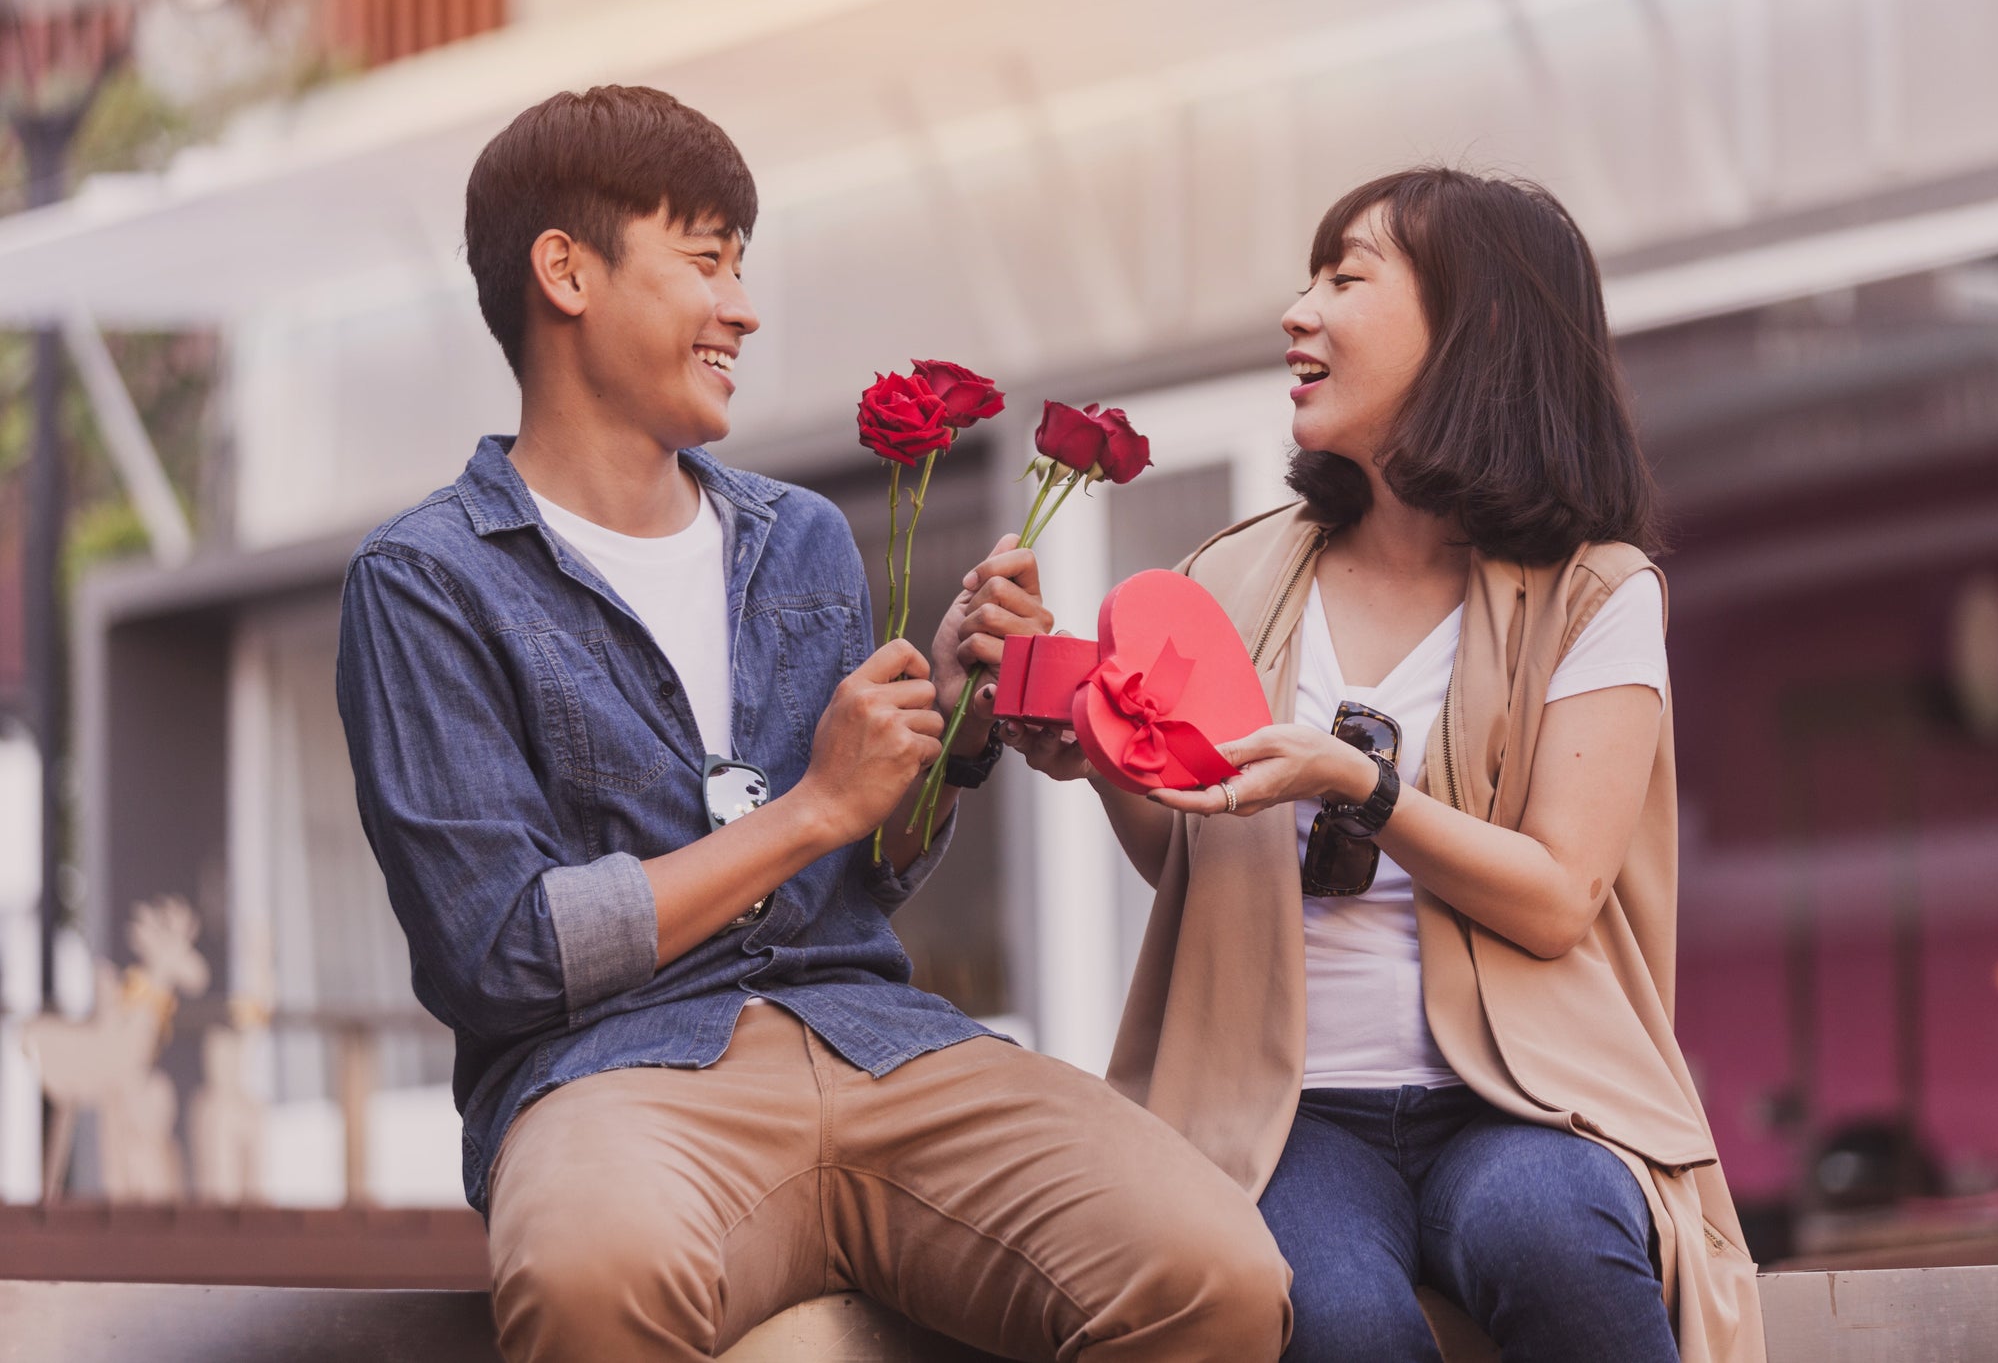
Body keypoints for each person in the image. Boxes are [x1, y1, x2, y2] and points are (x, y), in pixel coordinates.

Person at [335, 85, 1290, 1363]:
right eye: (705, 260)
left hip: (881, 1042)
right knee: (588, 1282)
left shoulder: (798, 539)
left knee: (1216, 1272)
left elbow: (860, 877)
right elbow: (498, 953)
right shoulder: (428, 580)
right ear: (564, 272)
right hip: (616, 1079)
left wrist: (944, 731)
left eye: (744, 264)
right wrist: (813, 809)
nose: (744, 305)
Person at [1005, 168, 1765, 1363]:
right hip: (1286, 1112)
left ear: (1475, 329)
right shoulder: (1229, 576)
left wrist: (1357, 784)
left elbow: (1559, 895)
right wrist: (1096, 757)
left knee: (1555, 1237)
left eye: (1343, 277)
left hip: (1525, 1104)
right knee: (1333, 1321)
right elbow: (1189, 863)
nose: (1295, 311)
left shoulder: (1594, 591)